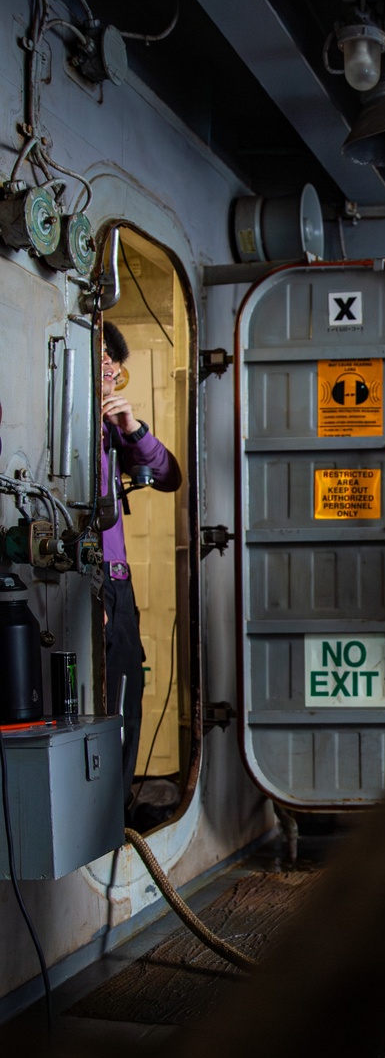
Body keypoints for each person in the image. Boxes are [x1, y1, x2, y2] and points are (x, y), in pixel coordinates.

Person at [100, 320, 182, 810]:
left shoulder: (115, 427)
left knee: (127, 697)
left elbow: (169, 475)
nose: (109, 365)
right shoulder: (64, 419)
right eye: (101, 354)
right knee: (97, 706)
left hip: (117, 584)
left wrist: (133, 428)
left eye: (113, 359)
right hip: (87, 583)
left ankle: (116, 813)